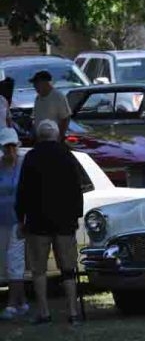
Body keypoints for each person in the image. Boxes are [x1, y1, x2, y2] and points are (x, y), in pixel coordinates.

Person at [15, 120, 83, 325]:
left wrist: (21, 218)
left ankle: (44, 312)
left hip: (38, 222)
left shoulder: (31, 157)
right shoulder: (67, 156)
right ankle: (73, 312)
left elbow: (23, 191)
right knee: (68, 268)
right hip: (64, 222)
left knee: (39, 269)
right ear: (56, 135)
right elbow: (76, 189)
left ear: (38, 135)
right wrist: (76, 217)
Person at [0, 128, 28, 320]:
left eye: (12, 146)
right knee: (5, 261)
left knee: (15, 260)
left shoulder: (23, 165)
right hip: (1, 220)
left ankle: (11, 304)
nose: (10, 150)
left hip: (19, 220)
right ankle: (22, 302)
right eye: (6, 147)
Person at [31, 70, 71, 141]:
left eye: (37, 83)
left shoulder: (58, 96)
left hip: (53, 139)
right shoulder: (38, 98)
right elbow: (35, 117)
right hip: (40, 139)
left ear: (45, 83)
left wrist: (59, 137)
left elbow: (65, 118)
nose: (35, 86)